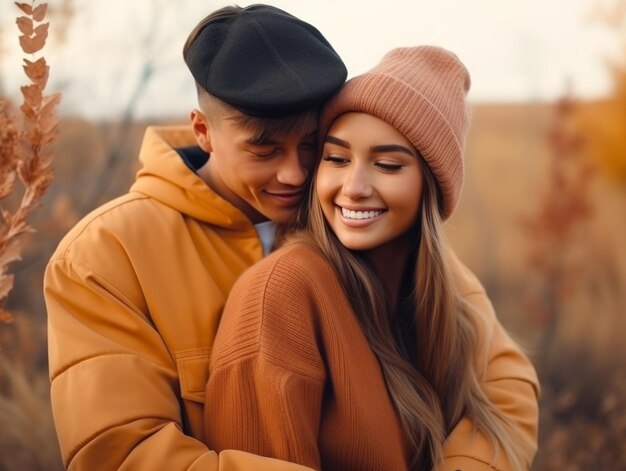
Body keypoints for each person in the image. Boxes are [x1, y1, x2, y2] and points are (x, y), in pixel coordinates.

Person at [204, 46, 540, 471]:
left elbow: (503, 394)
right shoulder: (282, 292)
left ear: (430, 188)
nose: (354, 186)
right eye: (336, 158)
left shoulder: (440, 294)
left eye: (386, 165)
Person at [43, 5, 347, 470]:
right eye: (264, 149)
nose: (295, 172)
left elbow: (492, 379)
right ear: (203, 130)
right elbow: (123, 454)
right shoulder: (104, 253)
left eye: (311, 144)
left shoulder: (354, 219)